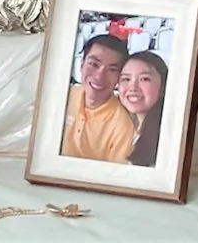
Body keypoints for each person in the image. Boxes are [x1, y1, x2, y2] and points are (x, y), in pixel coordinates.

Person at [61, 33, 136, 162]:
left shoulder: (122, 126)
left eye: (112, 69)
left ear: (120, 77)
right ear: (81, 64)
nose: (99, 76)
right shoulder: (63, 96)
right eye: (94, 64)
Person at [118, 50, 169, 168]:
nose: (133, 87)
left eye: (144, 79)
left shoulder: (166, 136)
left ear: (163, 86)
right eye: (126, 79)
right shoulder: (124, 126)